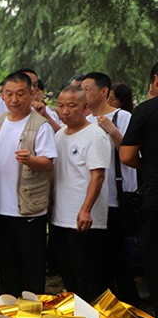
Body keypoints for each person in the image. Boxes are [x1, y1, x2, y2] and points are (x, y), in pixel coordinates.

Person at [0, 71, 56, 296]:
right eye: (9, 94)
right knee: (7, 264)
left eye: (20, 94)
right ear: (2, 95)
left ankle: (32, 315)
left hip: (28, 207)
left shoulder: (40, 125)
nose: (14, 99)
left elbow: (48, 162)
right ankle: (10, 315)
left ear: (32, 94)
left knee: (31, 265)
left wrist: (30, 160)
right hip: (0, 206)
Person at [81, 72, 140, 304]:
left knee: (118, 257)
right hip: (93, 199)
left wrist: (111, 130)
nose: (82, 93)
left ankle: (129, 306)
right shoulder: (84, 118)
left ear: (103, 92)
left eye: (87, 89)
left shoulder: (121, 116)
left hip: (116, 197)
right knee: (98, 258)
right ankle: (105, 306)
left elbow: (132, 152)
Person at [51, 86, 111, 301]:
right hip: (61, 217)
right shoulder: (58, 135)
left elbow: (98, 176)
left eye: (72, 105)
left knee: (88, 276)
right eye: (60, 105)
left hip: (84, 219)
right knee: (69, 275)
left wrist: (85, 209)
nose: (65, 110)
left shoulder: (95, 135)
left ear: (85, 107)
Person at [121, 61, 158, 314]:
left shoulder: (146, 110)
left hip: (155, 198)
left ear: (155, 80)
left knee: (155, 262)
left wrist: (146, 166)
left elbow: (126, 155)